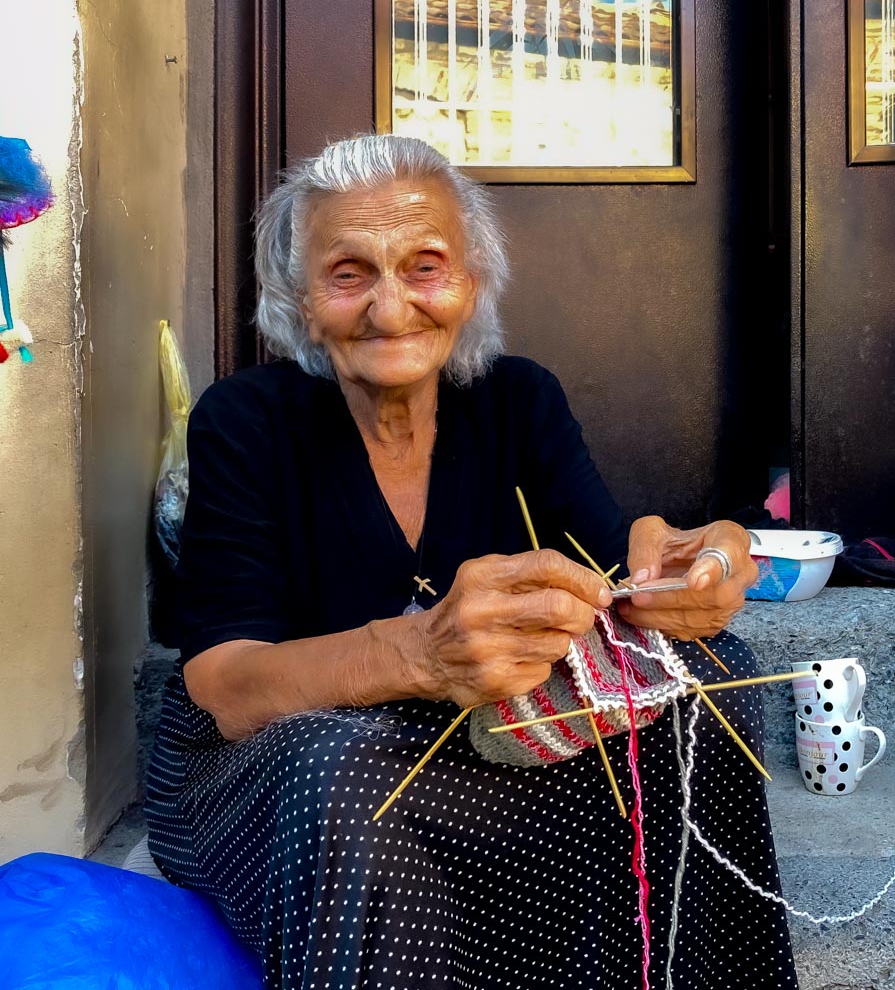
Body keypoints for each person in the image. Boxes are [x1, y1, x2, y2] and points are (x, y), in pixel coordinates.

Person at [146, 134, 799, 990]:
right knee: (342, 781)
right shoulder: (246, 422)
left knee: (706, 681)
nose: (388, 310)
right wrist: (416, 652)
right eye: (348, 275)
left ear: (473, 282)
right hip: (289, 767)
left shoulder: (518, 399)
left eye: (424, 266)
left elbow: (622, 583)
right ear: (300, 301)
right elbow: (227, 687)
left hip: (488, 753)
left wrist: (684, 573)